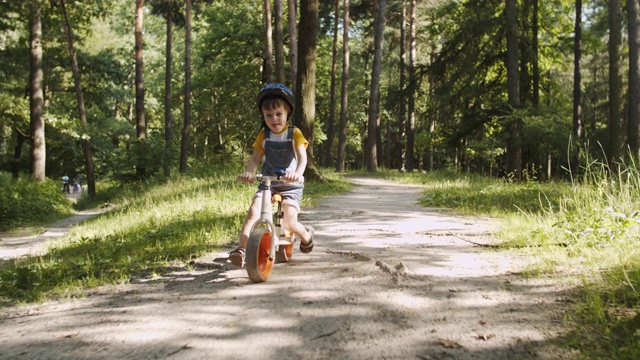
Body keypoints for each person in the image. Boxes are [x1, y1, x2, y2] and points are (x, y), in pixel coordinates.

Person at [229, 83, 315, 268]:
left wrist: (297, 174)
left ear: (287, 114)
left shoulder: (295, 134)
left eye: (278, 114)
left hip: (291, 185)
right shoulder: (263, 135)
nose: (274, 119)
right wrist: (249, 172)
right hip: (269, 182)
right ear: (263, 116)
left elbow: (302, 158)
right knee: (254, 211)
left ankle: (306, 236)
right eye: (269, 115)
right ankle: (241, 250)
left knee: (289, 222)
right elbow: (255, 158)